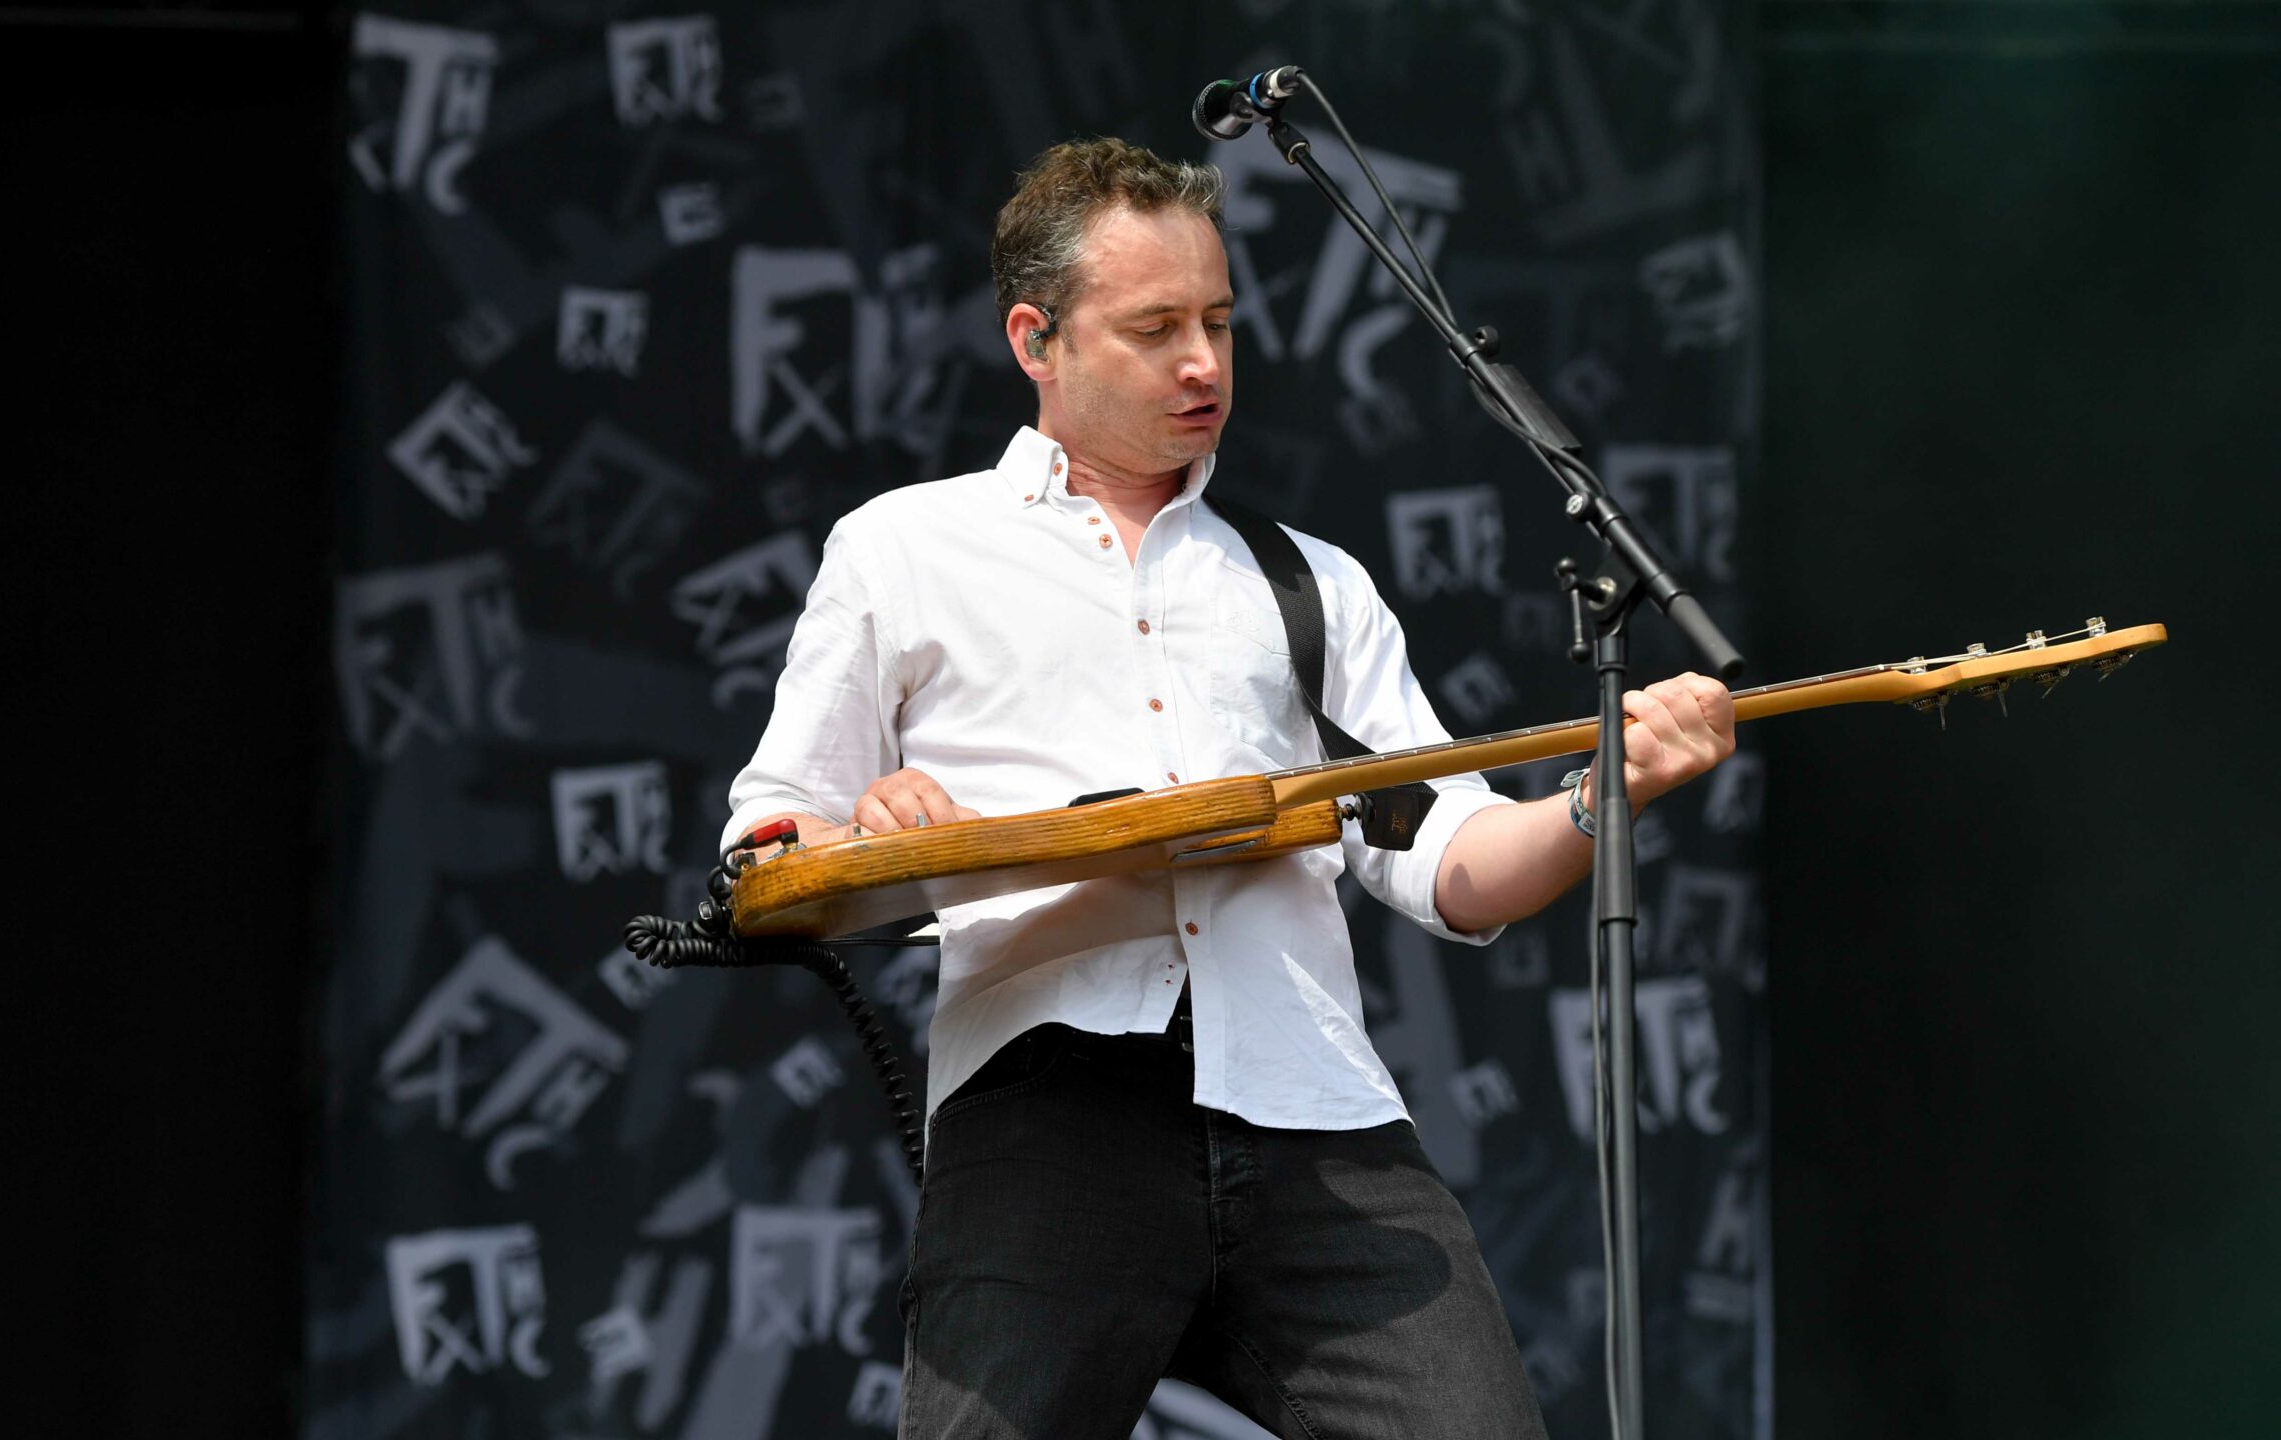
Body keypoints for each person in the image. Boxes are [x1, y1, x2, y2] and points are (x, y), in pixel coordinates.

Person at [723, 138, 1735, 1440]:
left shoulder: (1308, 583)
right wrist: (873, 833)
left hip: (1319, 1108)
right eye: (1154, 329)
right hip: (1049, 1106)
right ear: (1036, 341)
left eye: (1219, 321)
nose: (1203, 362)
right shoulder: (906, 548)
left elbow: (1453, 862)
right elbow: (768, 838)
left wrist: (1606, 798)